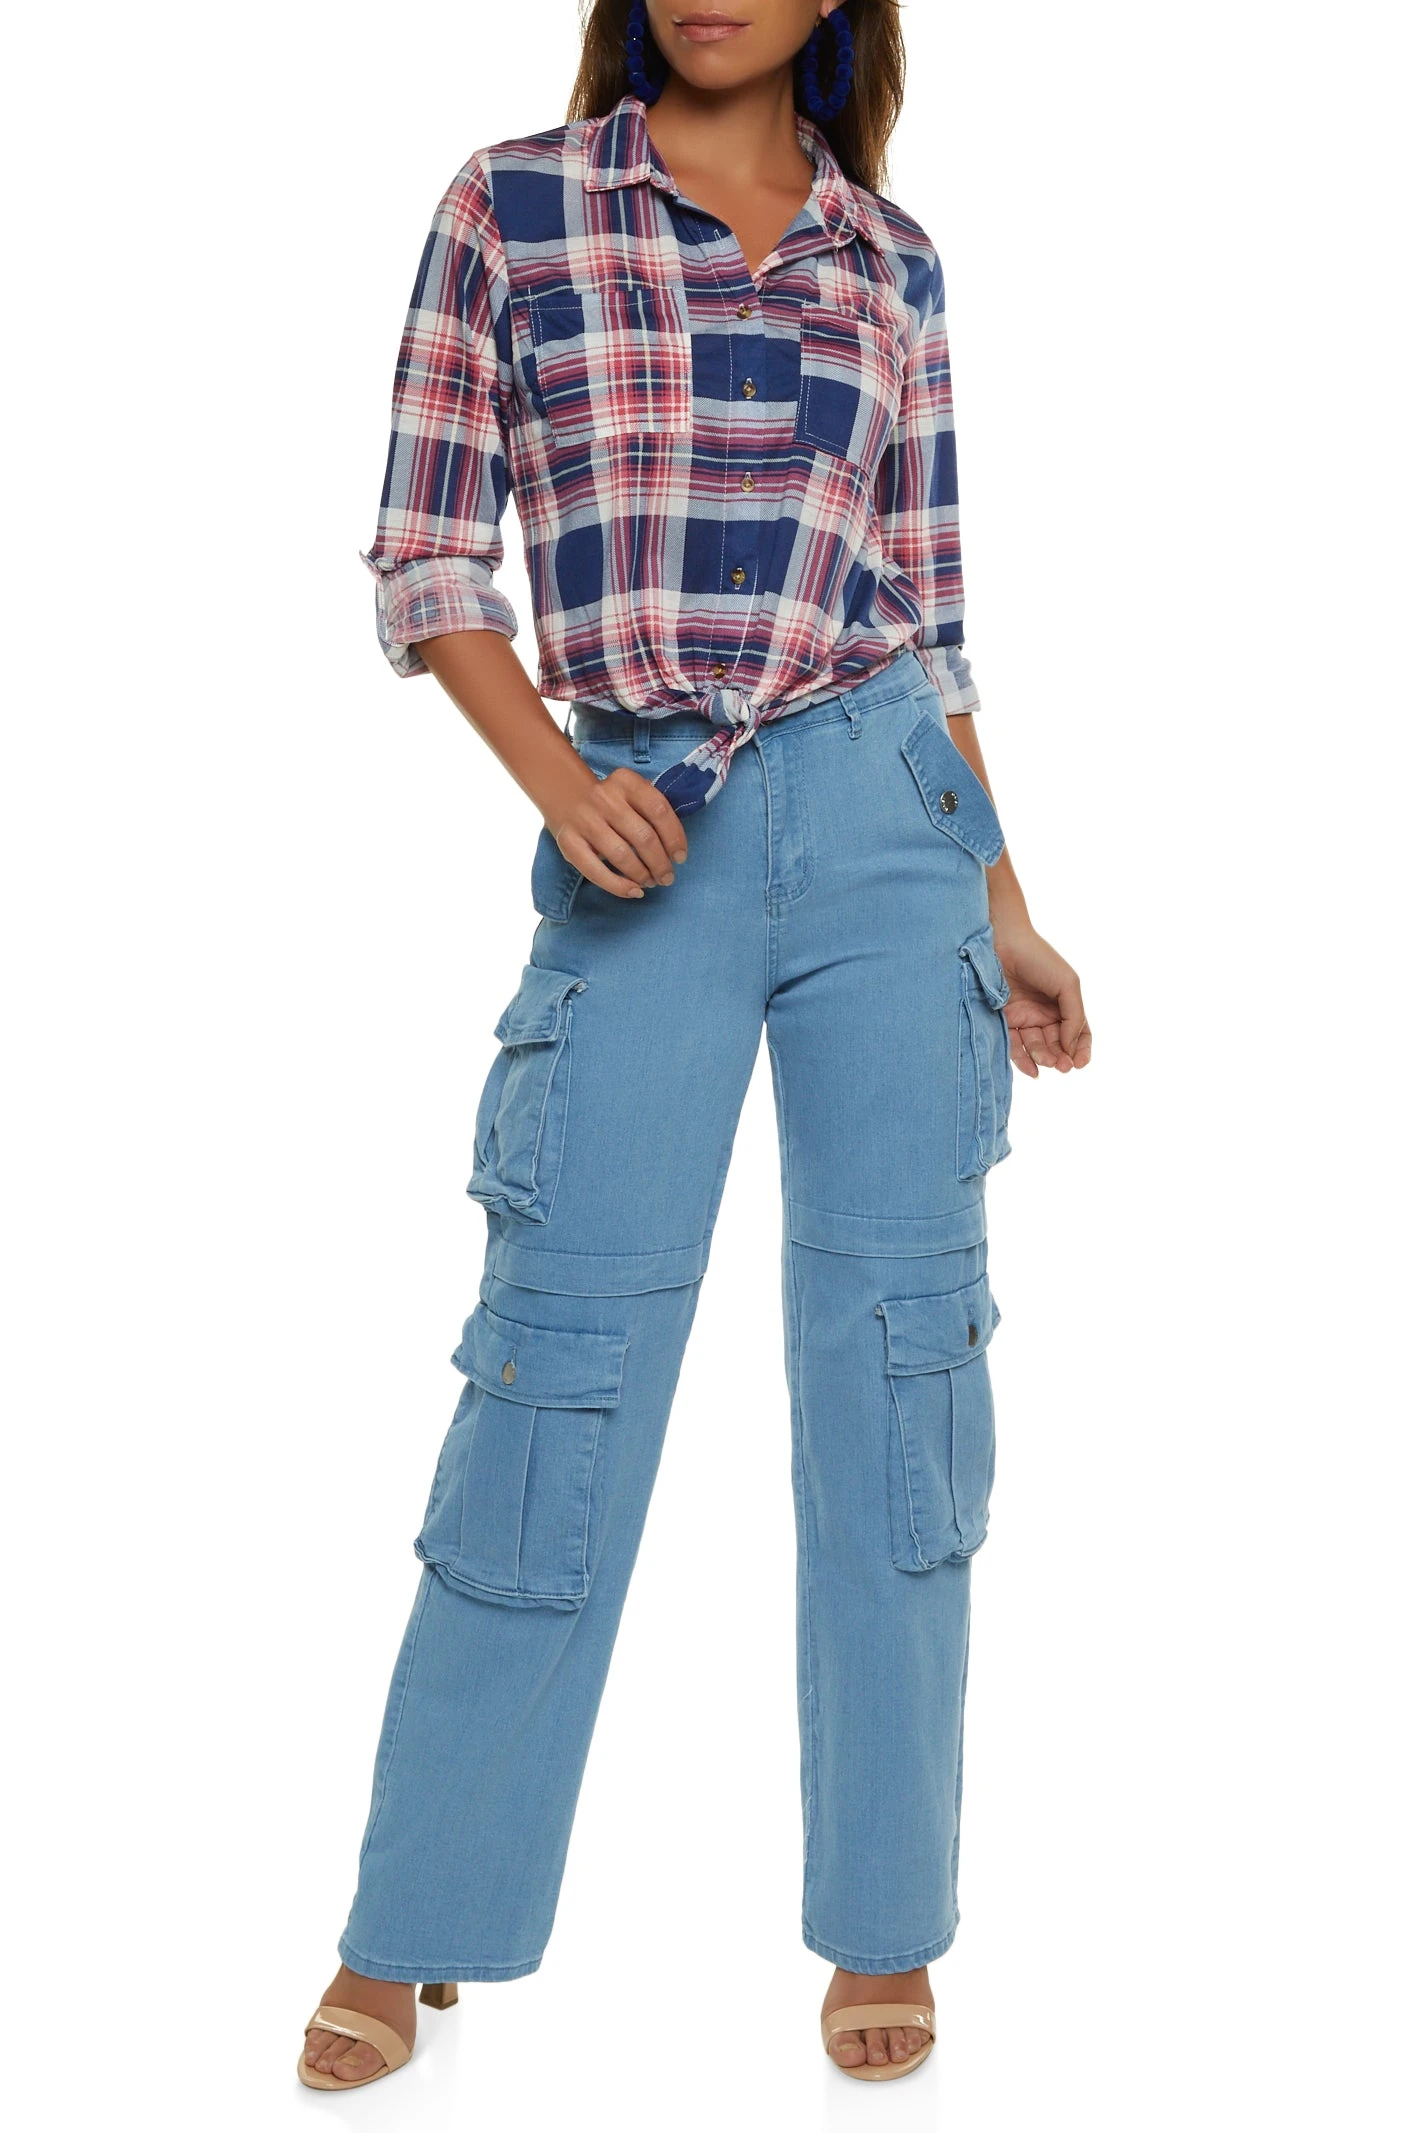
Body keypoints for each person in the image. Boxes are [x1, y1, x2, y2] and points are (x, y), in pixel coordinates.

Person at [299, 0, 1091, 2092]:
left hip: (888, 828)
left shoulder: (889, 260)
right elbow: (426, 555)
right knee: (554, 1365)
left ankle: (885, 1919)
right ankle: (418, 1920)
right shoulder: (513, 208)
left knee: (902, 1368)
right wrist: (560, 783)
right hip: (641, 817)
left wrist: (1001, 899)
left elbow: (926, 619)